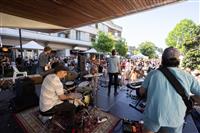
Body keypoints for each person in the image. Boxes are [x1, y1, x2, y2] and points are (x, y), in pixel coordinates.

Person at [139, 47, 200, 133]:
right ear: (178, 60)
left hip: (153, 116)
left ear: (162, 59)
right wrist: (192, 99)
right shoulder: (188, 77)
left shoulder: (153, 74)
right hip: (175, 119)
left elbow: (141, 91)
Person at [39, 64, 80, 130]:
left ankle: (63, 116)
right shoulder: (57, 82)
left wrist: (64, 92)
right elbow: (62, 97)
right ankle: (70, 127)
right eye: (65, 72)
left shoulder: (49, 76)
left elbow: (54, 89)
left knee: (66, 102)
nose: (66, 74)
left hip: (42, 105)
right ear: (59, 72)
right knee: (72, 107)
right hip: (48, 108)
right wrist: (70, 96)